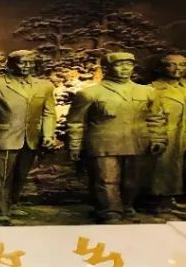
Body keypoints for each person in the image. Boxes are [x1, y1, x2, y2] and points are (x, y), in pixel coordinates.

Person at [66, 52, 166, 224]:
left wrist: (158, 138)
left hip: (137, 141)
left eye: (129, 64)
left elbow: (156, 117)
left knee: (132, 181)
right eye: (119, 65)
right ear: (107, 68)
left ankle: (126, 207)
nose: (125, 68)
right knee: (107, 180)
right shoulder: (90, 93)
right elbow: (75, 122)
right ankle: (110, 211)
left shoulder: (148, 92)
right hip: (104, 143)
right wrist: (75, 145)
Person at [0, 50, 57, 224]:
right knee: (1, 177)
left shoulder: (44, 86)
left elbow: (49, 113)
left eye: (30, 63)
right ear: (11, 64)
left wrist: (48, 135)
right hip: (3, 137)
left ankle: (12, 204)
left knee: (20, 175)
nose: (27, 66)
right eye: (22, 62)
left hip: (30, 138)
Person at [146, 53, 186, 218]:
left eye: (182, 65)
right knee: (166, 168)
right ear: (162, 68)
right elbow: (151, 116)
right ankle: (163, 201)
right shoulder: (153, 89)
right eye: (172, 65)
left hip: (184, 134)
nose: (178, 69)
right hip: (169, 134)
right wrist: (156, 137)